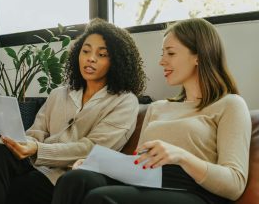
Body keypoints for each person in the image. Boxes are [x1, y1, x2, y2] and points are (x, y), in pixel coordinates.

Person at [51, 18, 252, 204]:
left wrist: (181, 156)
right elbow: (137, 165)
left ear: (198, 56)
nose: (162, 61)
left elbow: (234, 183)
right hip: (148, 182)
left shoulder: (230, 104)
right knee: (75, 179)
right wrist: (96, 163)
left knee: (102, 198)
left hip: (193, 192)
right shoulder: (158, 108)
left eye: (171, 53)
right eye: (162, 54)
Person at [0, 18, 147, 204]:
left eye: (102, 54)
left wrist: (38, 149)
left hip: (66, 175)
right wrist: (23, 142)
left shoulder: (124, 101)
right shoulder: (59, 94)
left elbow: (93, 149)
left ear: (117, 61)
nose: (91, 59)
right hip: (34, 163)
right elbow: (37, 132)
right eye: (86, 51)